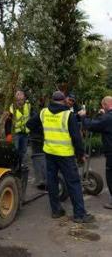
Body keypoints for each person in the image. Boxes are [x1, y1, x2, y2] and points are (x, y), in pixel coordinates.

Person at [26, 91, 94, 223]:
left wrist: (44, 132)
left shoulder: (43, 112)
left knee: (52, 181)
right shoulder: (68, 115)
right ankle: (79, 214)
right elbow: (76, 138)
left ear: (52, 99)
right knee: (73, 183)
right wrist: (81, 155)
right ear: (63, 100)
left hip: (49, 153)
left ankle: (56, 211)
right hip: (65, 155)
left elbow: (29, 125)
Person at [78, 96, 112, 209]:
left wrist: (83, 116)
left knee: (110, 175)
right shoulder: (107, 117)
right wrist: (103, 114)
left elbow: (91, 125)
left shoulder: (107, 118)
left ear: (104, 105)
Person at [8, 90, 31, 165]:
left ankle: (21, 165)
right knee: (15, 150)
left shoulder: (28, 105)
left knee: (23, 151)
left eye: (22, 99)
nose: (20, 101)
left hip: (25, 132)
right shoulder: (12, 107)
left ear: (24, 98)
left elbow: (30, 116)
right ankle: (14, 165)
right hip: (16, 133)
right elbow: (9, 121)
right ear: (16, 99)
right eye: (18, 99)